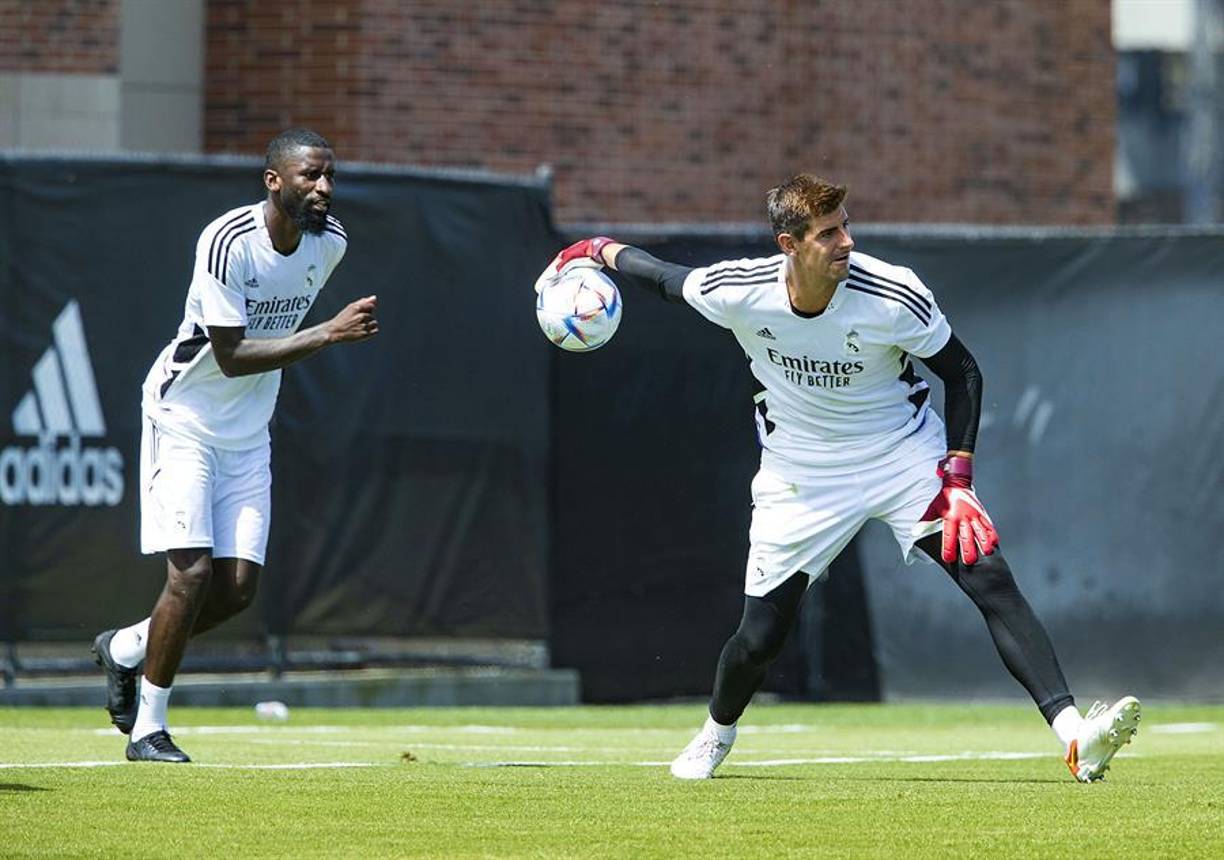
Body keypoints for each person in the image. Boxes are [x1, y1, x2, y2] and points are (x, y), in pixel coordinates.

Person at [537, 174, 1140, 783]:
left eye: (846, 225)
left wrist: (957, 479)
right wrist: (594, 249)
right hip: (802, 472)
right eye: (828, 233)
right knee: (760, 636)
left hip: (901, 455)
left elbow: (963, 373)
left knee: (988, 574)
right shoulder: (739, 291)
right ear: (789, 244)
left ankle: (1075, 737)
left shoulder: (894, 294)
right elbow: (663, 278)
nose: (846, 241)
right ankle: (716, 734)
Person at [91, 127, 378, 762]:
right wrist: (328, 334)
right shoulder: (228, 242)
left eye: (329, 176)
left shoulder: (330, 242)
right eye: (310, 175)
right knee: (191, 574)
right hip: (184, 418)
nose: (324, 187)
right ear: (274, 181)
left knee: (237, 589)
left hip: (249, 433)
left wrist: (321, 334)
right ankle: (148, 729)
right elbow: (231, 354)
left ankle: (126, 647)